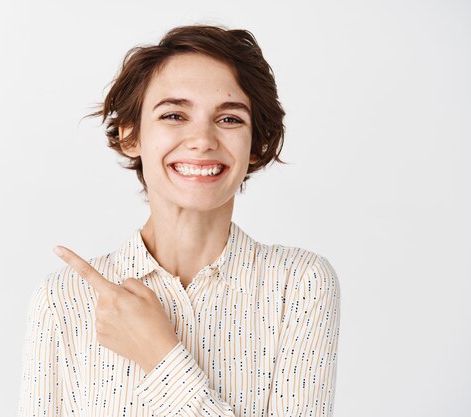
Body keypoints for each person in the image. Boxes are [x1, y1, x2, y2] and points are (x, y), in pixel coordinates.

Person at [18, 24, 341, 417]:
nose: (202, 139)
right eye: (174, 114)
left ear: (256, 144)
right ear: (130, 135)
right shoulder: (63, 299)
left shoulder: (300, 285)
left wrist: (160, 355)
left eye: (229, 120)